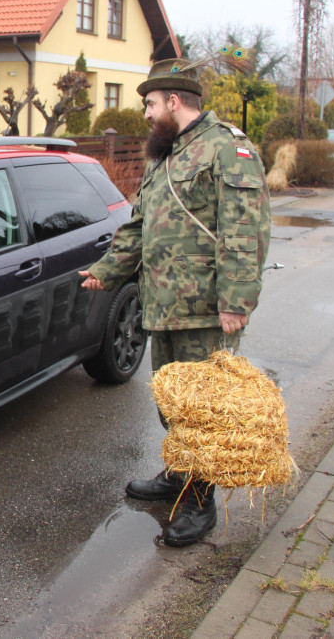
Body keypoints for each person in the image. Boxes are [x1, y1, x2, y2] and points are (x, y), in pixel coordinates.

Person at [78, 58, 270, 547]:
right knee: (172, 403)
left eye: (150, 104)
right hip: (162, 305)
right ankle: (177, 472)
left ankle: (199, 500)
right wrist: (105, 271)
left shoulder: (227, 149)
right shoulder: (165, 154)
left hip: (206, 310)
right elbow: (139, 227)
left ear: (174, 102)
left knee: (203, 408)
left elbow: (244, 231)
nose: (146, 113)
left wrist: (235, 301)